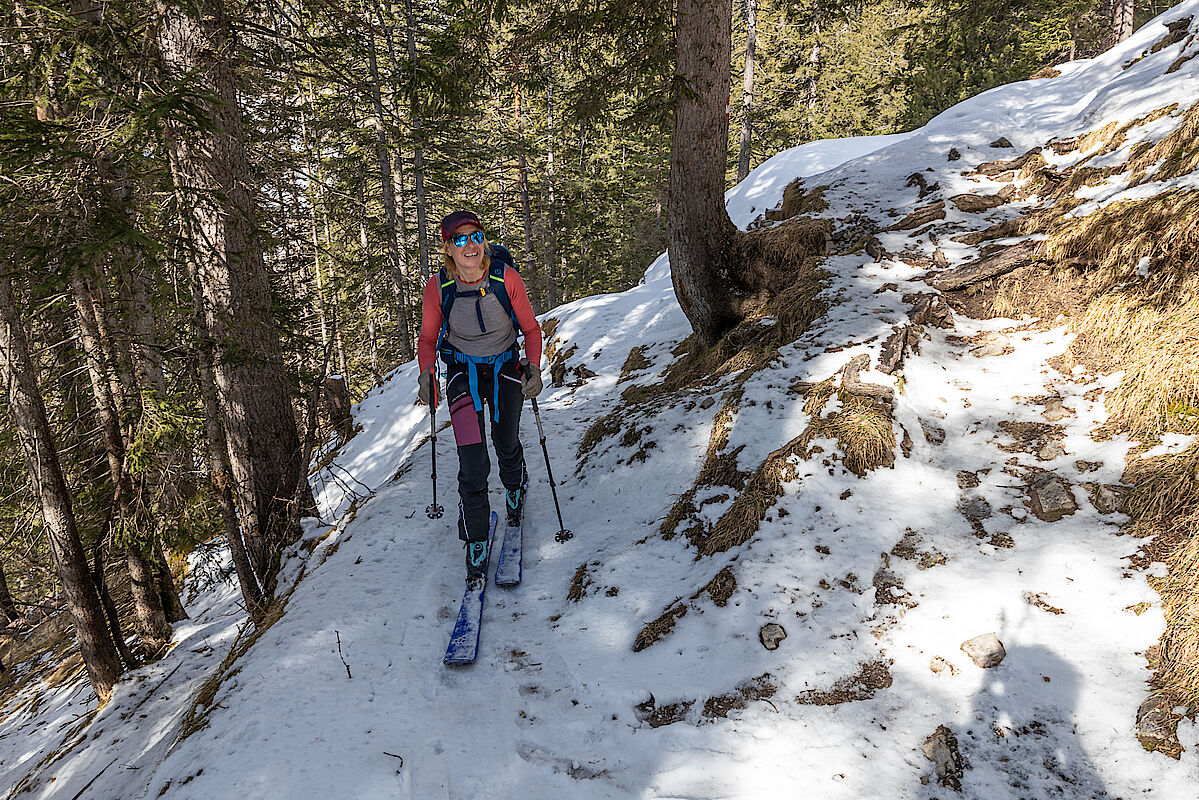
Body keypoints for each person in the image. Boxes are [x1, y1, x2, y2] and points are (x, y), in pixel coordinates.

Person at [417, 210, 544, 584]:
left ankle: (515, 486)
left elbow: (532, 330)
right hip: (461, 373)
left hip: (505, 367)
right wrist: (427, 373)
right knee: (472, 462)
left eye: (475, 236)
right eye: (460, 239)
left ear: (483, 241)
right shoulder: (439, 286)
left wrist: (532, 366)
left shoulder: (506, 278)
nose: (469, 244)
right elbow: (427, 339)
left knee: (505, 443)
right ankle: (475, 538)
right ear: (448, 248)